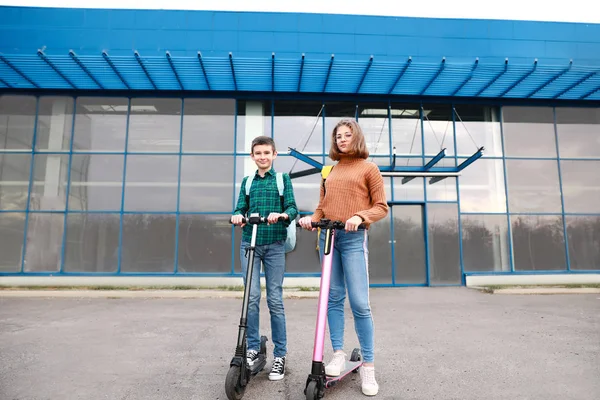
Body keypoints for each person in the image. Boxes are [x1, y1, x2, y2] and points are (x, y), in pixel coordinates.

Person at [298, 119, 388, 396]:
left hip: (352, 239)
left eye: (348, 135)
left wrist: (360, 216)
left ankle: (369, 368)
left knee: (360, 303)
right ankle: (337, 353)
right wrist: (310, 220)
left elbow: (381, 206)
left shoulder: (369, 168)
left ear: (357, 138)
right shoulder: (331, 170)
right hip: (328, 237)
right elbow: (322, 206)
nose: (342, 139)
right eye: (338, 136)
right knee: (333, 298)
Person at [231, 135, 298, 381]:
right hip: (250, 243)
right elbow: (240, 207)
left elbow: (293, 208)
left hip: (274, 245)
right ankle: (251, 349)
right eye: (258, 153)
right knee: (251, 298)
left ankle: (280, 355)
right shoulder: (248, 181)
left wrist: (281, 215)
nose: (262, 157)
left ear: (274, 155)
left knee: (275, 300)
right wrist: (238, 215)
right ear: (252, 156)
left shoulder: (282, 180)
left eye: (266, 153)